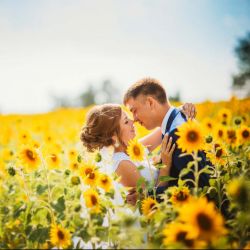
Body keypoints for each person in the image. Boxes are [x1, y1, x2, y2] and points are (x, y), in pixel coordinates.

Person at [80, 101, 196, 203]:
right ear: (113, 136)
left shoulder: (133, 149)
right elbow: (152, 200)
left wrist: (181, 110)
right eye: (126, 121)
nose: (133, 121)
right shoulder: (122, 164)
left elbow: (164, 129)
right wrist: (165, 166)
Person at [123, 77, 210, 204]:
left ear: (150, 103)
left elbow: (196, 189)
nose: (134, 119)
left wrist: (147, 196)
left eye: (134, 111)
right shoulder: (176, 123)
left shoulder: (178, 134)